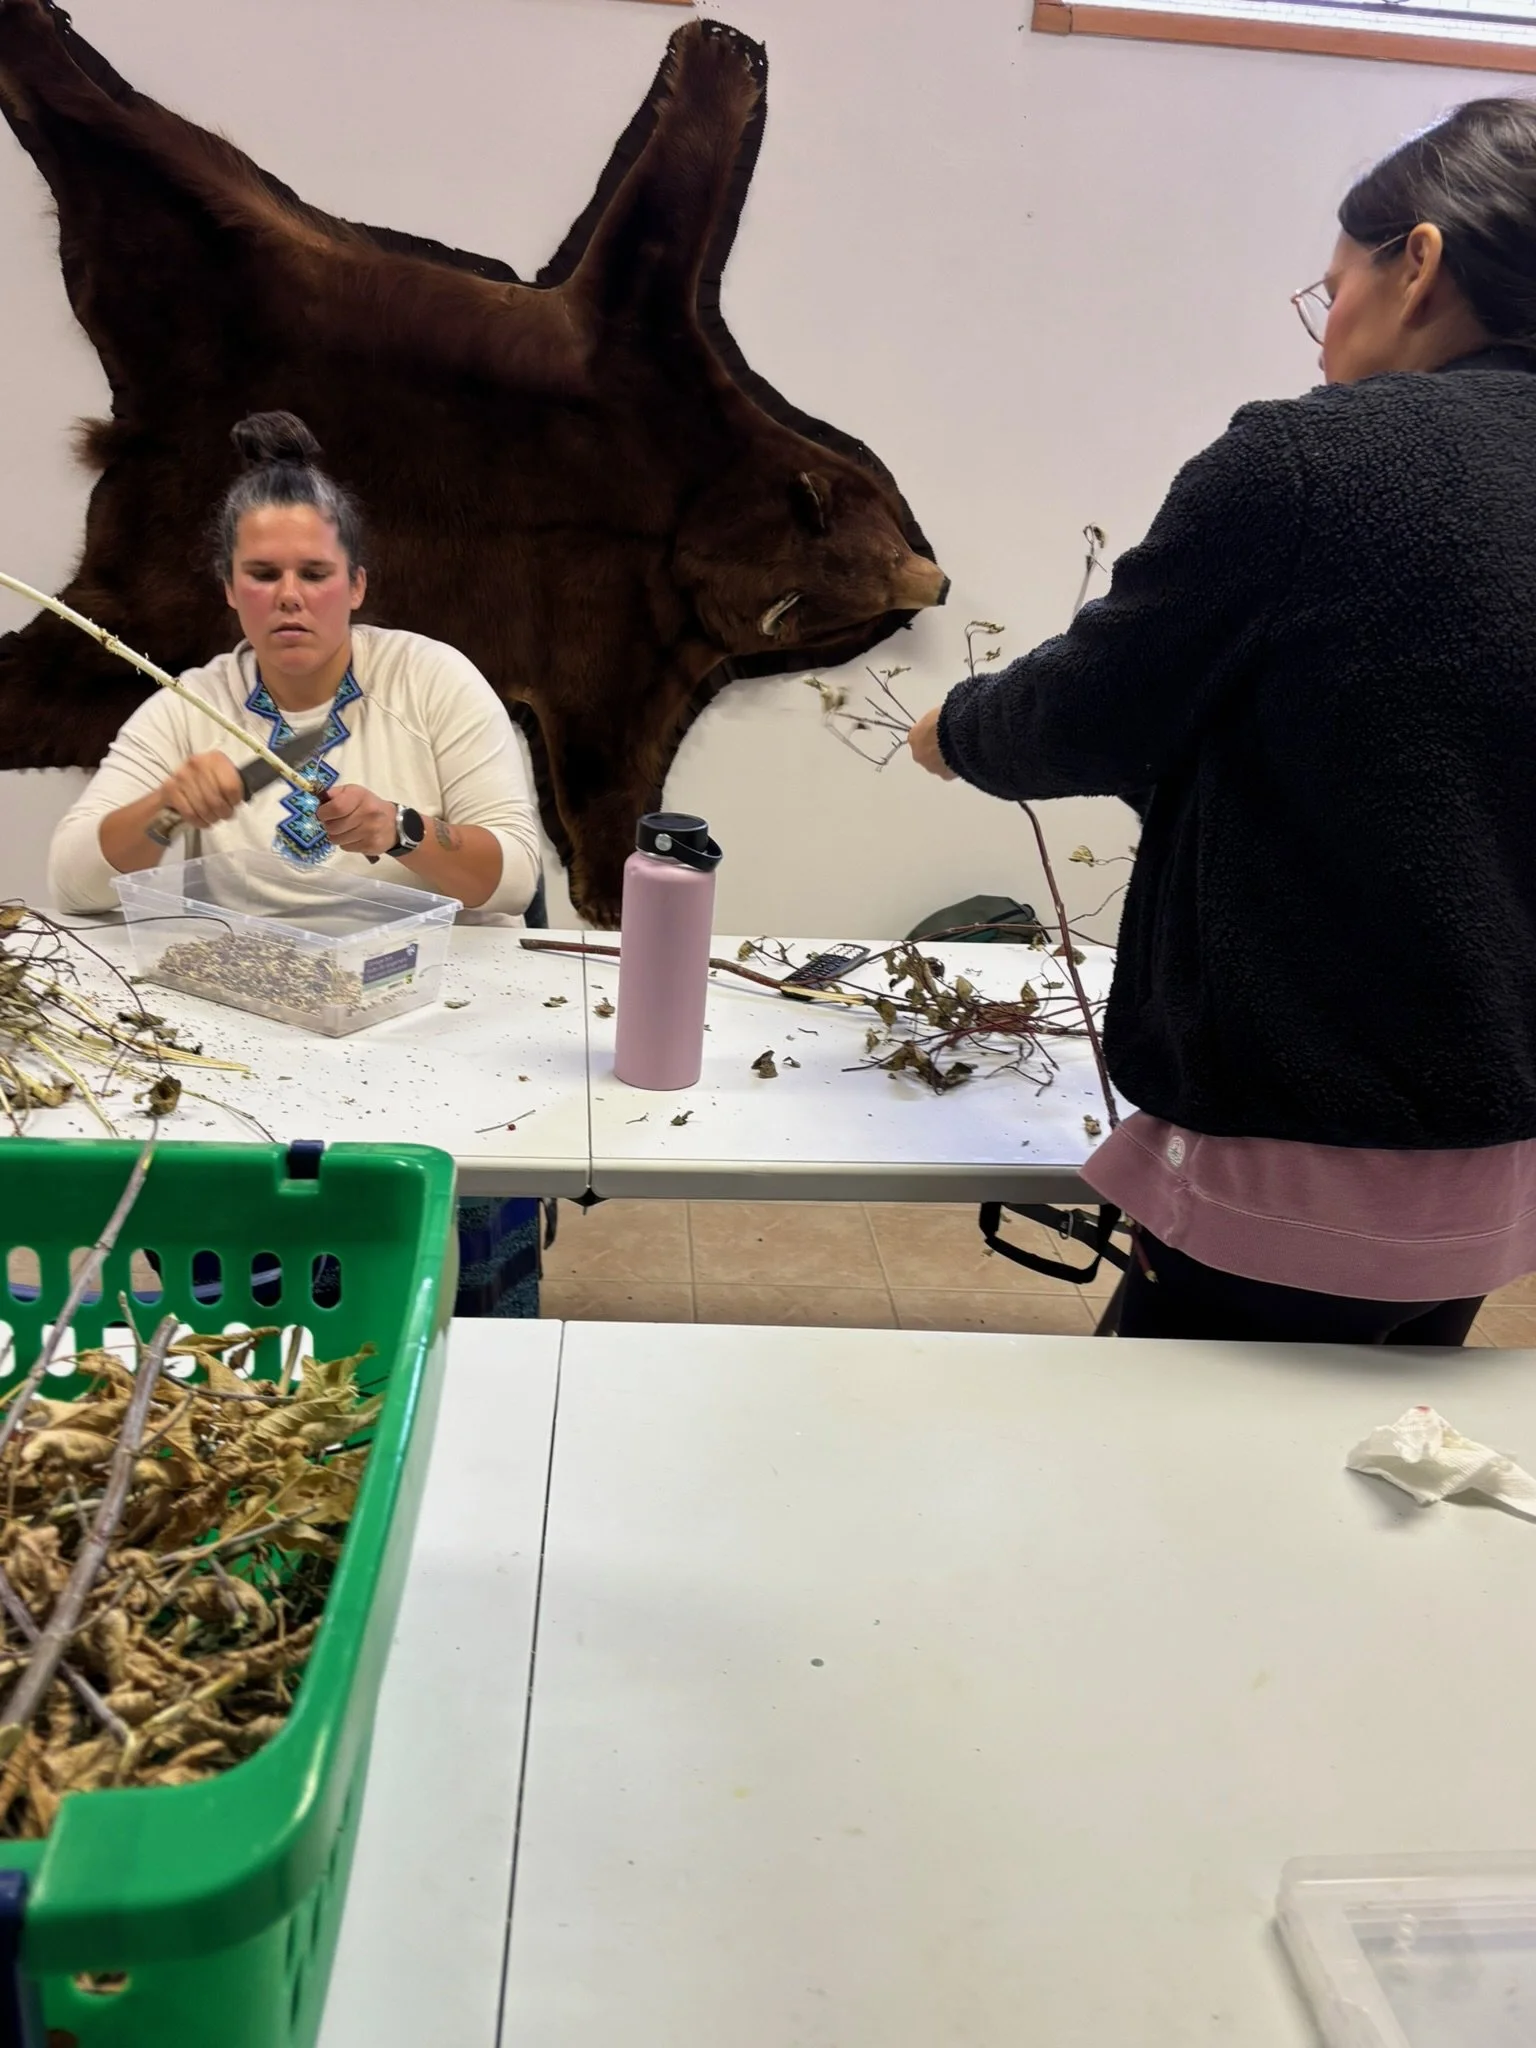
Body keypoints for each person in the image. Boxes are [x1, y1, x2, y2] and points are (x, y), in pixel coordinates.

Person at [909, 97, 1536, 1346]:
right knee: (1346, 1485)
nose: (1324, 343)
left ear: (1417, 261)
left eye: (1330, 291)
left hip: (1296, 1159)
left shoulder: (1309, 463)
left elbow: (1084, 709)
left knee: (1171, 1504)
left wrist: (955, 729)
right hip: (1498, 1166)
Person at [49, 409, 549, 1316]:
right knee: (243, 1282)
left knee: (448, 1280)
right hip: (259, 1023)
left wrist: (403, 831)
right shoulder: (189, 705)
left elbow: (511, 874)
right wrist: (163, 810)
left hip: (435, 1017)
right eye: (264, 574)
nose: (290, 596)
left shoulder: (432, 680)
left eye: (314, 574)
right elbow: (76, 880)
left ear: (356, 585)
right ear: (229, 588)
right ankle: (266, 1348)